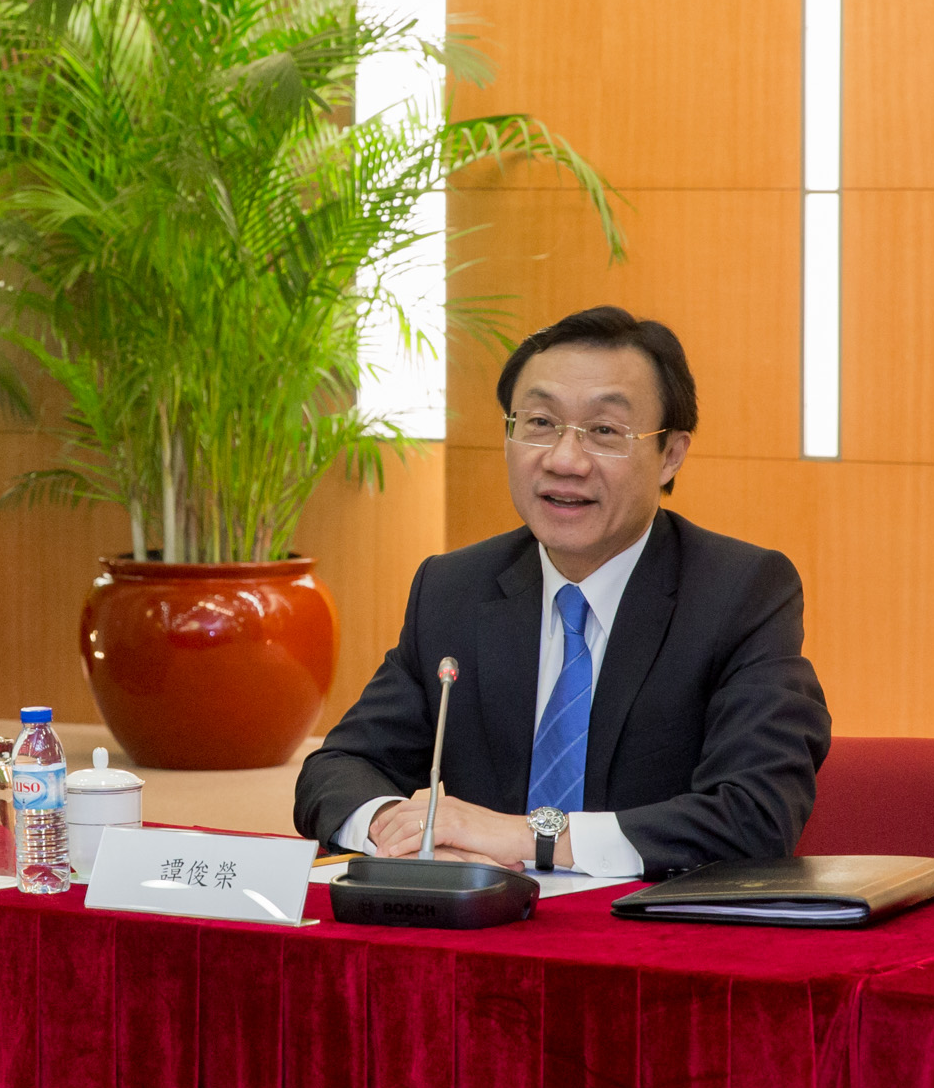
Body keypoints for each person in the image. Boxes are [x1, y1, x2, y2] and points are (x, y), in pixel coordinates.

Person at [293, 305, 829, 877]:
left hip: (647, 922)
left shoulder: (741, 593)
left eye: (605, 431)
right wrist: (401, 830)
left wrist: (526, 837)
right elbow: (337, 768)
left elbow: (755, 813)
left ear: (671, 454)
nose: (564, 460)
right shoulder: (453, 589)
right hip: (485, 919)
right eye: (540, 423)